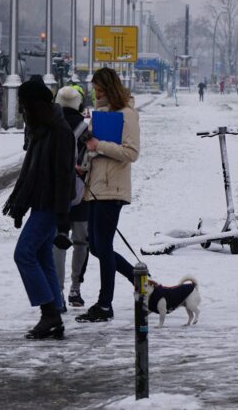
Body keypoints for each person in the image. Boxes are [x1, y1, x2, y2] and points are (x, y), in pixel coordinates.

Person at [3, 80, 76, 339]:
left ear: (35, 105)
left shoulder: (59, 132)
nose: (22, 110)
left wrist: (62, 222)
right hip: (41, 203)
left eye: (24, 104)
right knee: (43, 256)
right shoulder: (41, 130)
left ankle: (50, 314)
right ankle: (54, 313)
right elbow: (31, 173)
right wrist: (21, 206)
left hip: (51, 206)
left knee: (24, 254)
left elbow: (64, 177)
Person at [76, 67, 140, 323]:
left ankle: (105, 304)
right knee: (96, 247)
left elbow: (131, 152)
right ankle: (138, 278)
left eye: (99, 90)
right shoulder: (101, 115)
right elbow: (97, 151)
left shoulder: (127, 115)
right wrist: (86, 159)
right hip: (96, 187)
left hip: (112, 189)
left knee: (102, 246)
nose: (95, 94)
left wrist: (97, 145)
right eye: (94, 89)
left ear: (109, 89)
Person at [52, 85, 90, 310]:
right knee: (81, 241)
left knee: (58, 242)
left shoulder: (51, 125)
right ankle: (76, 287)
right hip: (81, 191)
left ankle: (57, 291)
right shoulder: (85, 127)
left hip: (56, 193)